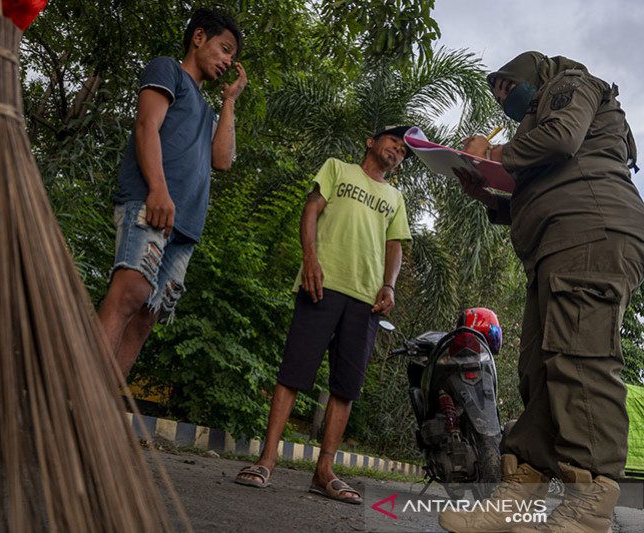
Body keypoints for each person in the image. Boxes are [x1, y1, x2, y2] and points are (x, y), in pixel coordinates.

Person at [439, 52, 644, 533]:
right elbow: (550, 185)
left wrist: (490, 154)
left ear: (530, 74)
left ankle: (588, 505)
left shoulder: (569, 82)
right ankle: (520, 489)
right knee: (539, 367)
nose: (502, 98)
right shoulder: (541, 120)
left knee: (580, 362)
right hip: (556, 242)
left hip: (591, 233)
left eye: (506, 86)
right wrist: (490, 198)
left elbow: (562, 138)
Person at [234, 126, 413, 504]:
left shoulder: (396, 197)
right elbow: (311, 209)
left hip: (366, 299)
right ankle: (267, 459)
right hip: (322, 283)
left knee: (345, 386)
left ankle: (324, 471)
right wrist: (310, 259)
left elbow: (394, 245)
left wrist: (389, 286)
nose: (398, 150)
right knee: (294, 372)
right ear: (371, 141)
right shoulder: (336, 169)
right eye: (393, 142)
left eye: (403, 151)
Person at [97, 9, 247, 379]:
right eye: (225, 49)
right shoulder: (168, 71)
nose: (228, 61)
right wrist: (159, 190)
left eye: (232, 55)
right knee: (130, 291)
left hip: (185, 227)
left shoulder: (208, 108)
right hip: (152, 202)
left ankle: (103, 412)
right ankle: (78, 402)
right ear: (198, 38)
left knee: (148, 315)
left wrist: (228, 102)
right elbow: (147, 125)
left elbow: (222, 160)